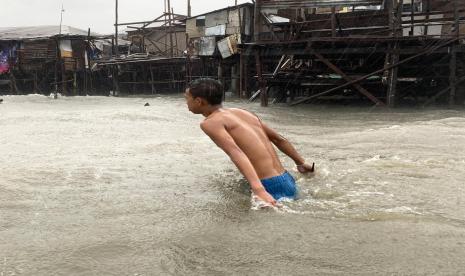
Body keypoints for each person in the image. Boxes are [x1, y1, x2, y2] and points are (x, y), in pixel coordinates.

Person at [185, 78, 314, 206]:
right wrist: (301, 162)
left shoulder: (210, 123)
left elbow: (235, 152)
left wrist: (259, 190)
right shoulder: (242, 112)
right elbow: (277, 138)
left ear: (198, 101)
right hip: (286, 178)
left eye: (187, 98)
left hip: (268, 185)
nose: (186, 102)